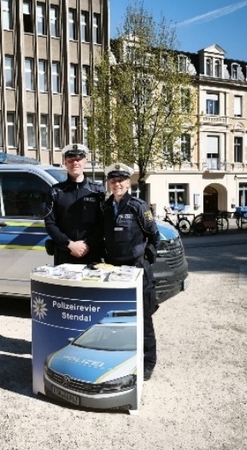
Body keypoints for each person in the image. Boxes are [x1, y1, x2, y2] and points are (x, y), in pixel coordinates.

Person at [102, 162, 160, 381]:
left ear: (128, 183)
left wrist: (146, 258)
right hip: (114, 271)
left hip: (136, 271)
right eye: (113, 180)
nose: (117, 184)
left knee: (143, 319)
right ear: (109, 183)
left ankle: (148, 362)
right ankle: (122, 358)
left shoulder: (139, 206)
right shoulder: (106, 207)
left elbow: (154, 236)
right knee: (117, 318)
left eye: (121, 180)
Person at [44, 143, 104, 266]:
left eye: (78, 159)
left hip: (91, 253)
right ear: (65, 163)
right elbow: (50, 223)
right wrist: (69, 244)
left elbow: (102, 222)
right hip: (64, 254)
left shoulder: (97, 191)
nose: (75, 163)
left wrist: (87, 244)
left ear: (85, 161)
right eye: (70, 160)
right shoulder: (55, 191)